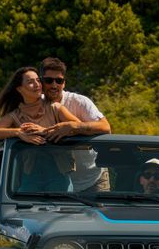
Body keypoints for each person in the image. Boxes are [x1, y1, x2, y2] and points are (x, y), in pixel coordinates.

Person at [38, 57, 112, 192]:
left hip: (93, 178)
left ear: (64, 83)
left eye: (59, 81)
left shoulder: (79, 102)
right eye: (49, 80)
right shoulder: (34, 104)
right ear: (41, 82)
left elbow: (105, 127)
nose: (54, 85)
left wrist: (73, 126)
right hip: (55, 182)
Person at [0, 66, 81, 143]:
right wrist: (18, 132)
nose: (37, 84)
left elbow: (79, 127)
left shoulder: (54, 108)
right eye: (30, 82)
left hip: (60, 161)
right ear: (19, 89)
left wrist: (45, 131)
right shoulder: (15, 115)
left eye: (38, 80)